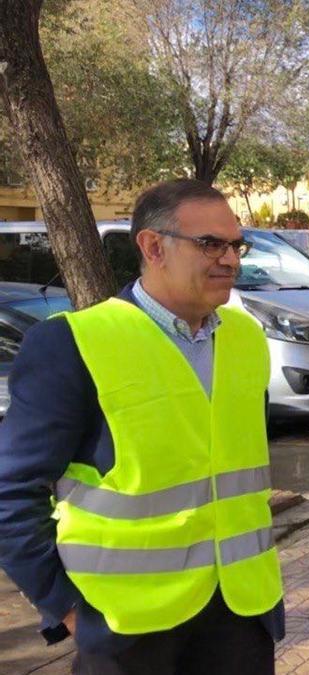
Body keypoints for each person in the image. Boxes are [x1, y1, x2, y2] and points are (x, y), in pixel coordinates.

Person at [0, 180, 284, 674]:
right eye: (210, 244)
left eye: (236, 244)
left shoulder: (247, 339)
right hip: (127, 631)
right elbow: (10, 489)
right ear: (153, 247)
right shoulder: (74, 344)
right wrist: (66, 608)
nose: (231, 259)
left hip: (240, 615)